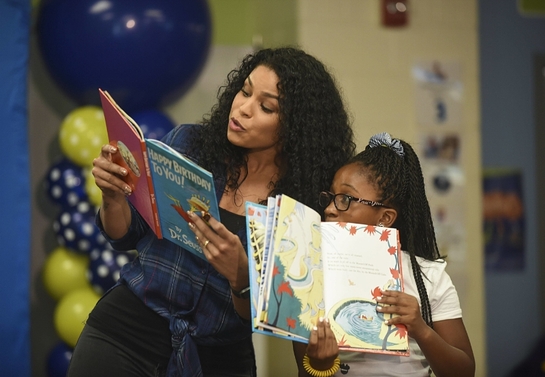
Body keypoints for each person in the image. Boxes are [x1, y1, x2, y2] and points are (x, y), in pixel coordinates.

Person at [67, 47, 356, 377]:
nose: (243, 108)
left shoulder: (301, 209)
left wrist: (240, 275)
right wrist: (113, 198)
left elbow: (280, 319)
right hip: (124, 335)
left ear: (297, 127)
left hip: (217, 359)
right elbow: (125, 235)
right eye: (244, 91)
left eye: (265, 106)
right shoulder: (188, 144)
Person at [293, 132, 475, 377]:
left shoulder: (429, 277)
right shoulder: (310, 273)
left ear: (385, 218)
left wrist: (420, 329)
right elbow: (305, 371)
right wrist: (321, 364)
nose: (329, 209)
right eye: (330, 198)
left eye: (345, 199)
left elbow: (464, 371)